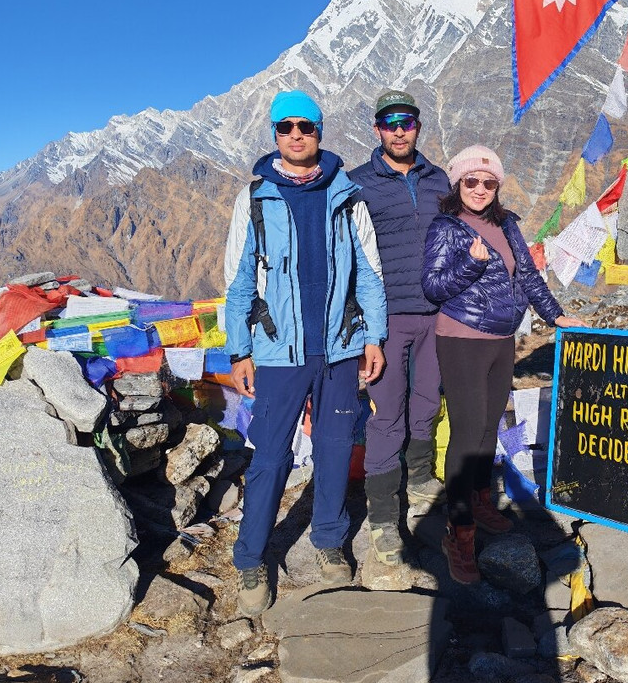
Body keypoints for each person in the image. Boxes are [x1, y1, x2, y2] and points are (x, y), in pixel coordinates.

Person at [224, 89, 387, 616]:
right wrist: (239, 352)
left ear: (321, 131)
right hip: (277, 354)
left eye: (306, 126)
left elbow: (370, 273)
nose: (296, 135)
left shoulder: (348, 194)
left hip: (339, 350)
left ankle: (329, 540)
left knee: (336, 449)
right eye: (286, 126)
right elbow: (239, 281)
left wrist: (373, 336)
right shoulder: (253, 198)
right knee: (270, 456)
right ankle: (250, 555)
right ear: (274, 133)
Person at [421, 145, 585, 584]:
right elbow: (433, 286)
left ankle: (478, 500)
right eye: (471, 181)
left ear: (497, 187)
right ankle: (458, 534)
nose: (479, 189)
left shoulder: (506, 224)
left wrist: (555, 314)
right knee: (467, 432)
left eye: (488, 182)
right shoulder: (448, 227)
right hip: (461, 339)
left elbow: (529, 276)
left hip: (501, 339)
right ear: (458, 184)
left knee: (490, 425)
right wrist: (470, 266)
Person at [348, 90, 451, 567]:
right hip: (385, 318)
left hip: (437, 313)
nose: (398, 129)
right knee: (387, 412)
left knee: (428, 400)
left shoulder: (439, 181)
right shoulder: (357, 184)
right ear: (377, 129)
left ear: (417, 126)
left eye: (406, 121)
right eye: (389, 122)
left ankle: (420, 477)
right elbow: (344, 254)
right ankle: (383, 517)